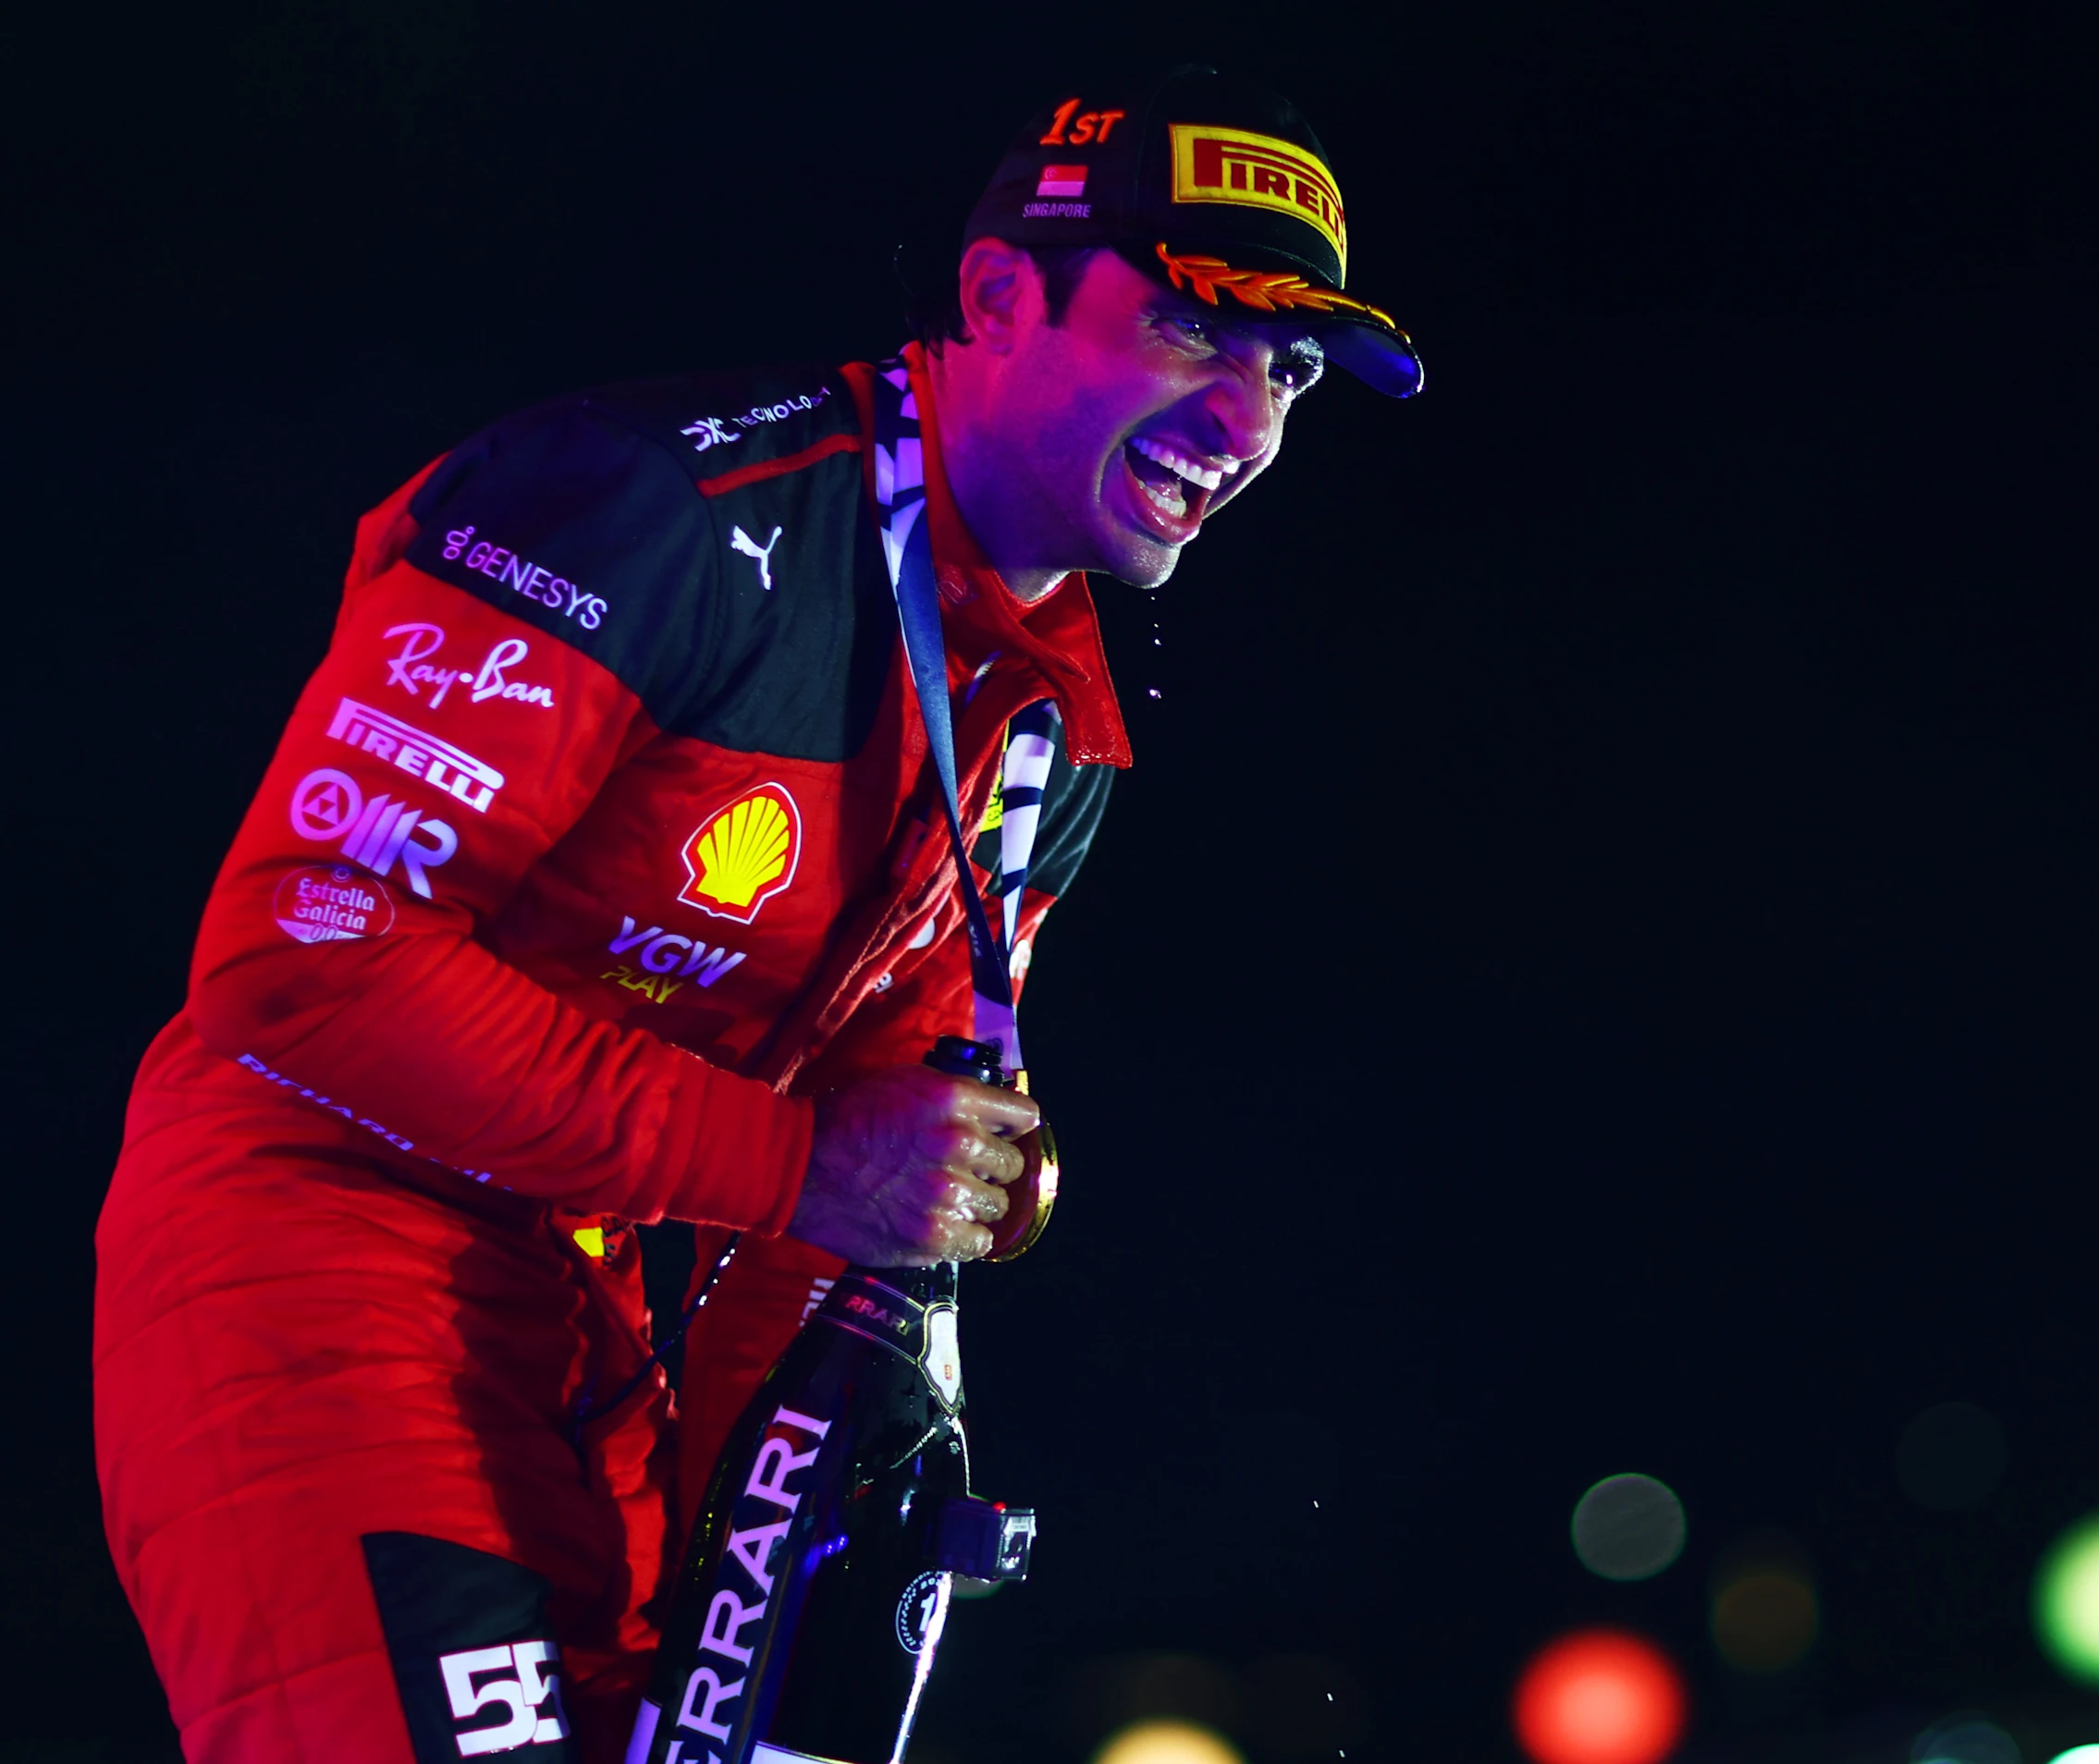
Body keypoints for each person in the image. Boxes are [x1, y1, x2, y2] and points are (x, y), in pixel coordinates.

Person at [92, 66, 1418, 1764]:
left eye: (1288, 367)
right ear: (998, 296)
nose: (1245, 424)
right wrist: (800, 1167)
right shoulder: (640, 509)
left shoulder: (1053, 733)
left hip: (598, 1319)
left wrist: (799, 1570)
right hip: (317, 1262)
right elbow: (297, 961)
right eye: (1190, 329)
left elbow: (860, 1196)